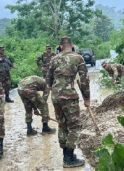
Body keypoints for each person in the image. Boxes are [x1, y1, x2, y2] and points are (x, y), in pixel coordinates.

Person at [46, 36, 90, 168]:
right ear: (72, 46)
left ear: (60, 47)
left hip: (55, 96)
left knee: (62, 125)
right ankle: (69, 159)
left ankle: (66, 154)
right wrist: (87, 98)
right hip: (69, 96)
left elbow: (48, 81)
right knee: (75, 126)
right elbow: (84, 81)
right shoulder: (78, 58)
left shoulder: (54, 59)